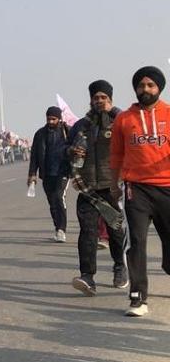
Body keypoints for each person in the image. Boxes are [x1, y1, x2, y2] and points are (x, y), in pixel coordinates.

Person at [111, 66, 170, 317]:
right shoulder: (124, 118)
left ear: (159, 87)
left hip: (167, 187)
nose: (145, 89)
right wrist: (115, 184)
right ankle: (138, 297)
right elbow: (116, 155)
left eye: (150, 85)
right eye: (141, 85)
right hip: (136, 188)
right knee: (136, 241)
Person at [67, 80, 128, 296]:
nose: (99, 101)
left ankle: (120, 266)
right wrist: (73, 152)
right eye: (96, 98)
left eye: (103, 97)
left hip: (113, 187)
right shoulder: (81, 125)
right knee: (88, 232)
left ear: (110, 99)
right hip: (87, 188)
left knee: (116, 231)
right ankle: (87, 277)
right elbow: (67, 148)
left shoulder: (121, 121)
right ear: (91, 100)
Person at [28, 106, 71, 242]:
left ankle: (62, 230)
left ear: (59, 119)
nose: (51, 121)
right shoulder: (40, 134)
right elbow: (34, 155)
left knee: (59, 197)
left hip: (63, 171)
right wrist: (32, 174)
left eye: (53, 119)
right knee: (52, 202)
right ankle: (57, 227)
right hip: (47, 173)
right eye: (48, 119)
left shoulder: (67, 132)